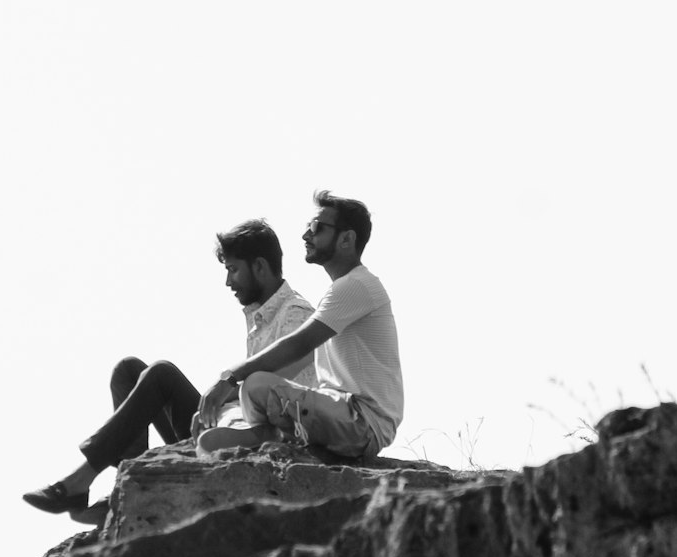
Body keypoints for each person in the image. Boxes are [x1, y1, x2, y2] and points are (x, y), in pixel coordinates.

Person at [22, 218, 314, 522]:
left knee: (162, 373)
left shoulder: (295, 313)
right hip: (232, 426)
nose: (228, 282)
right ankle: (128, 485)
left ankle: (79, 481)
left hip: (259, 437)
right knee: (128, 370)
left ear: (260, 267)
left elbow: (275, 385)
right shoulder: (259, 318)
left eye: (233, 269)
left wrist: (222, 396)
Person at [195, 190, 402, 465]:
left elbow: (298, 344)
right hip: (345, 413)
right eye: (308, 228)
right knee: (253, 387)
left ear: (347, 239)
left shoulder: (356, 285)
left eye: (317, 228)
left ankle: (266, 439)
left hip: (362, 420)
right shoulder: (341, 289)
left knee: (254, 383)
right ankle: (268, 436)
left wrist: (229, 377)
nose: (307, 236)